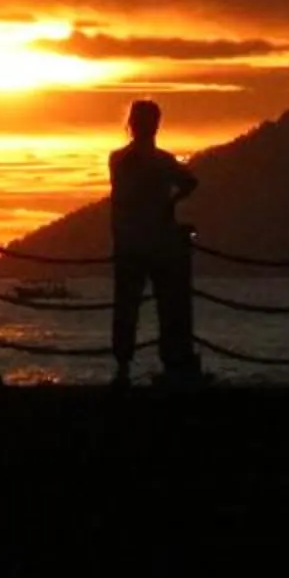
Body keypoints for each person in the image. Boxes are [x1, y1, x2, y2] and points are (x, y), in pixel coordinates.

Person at [108, 99, 198, 385]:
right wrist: (170, 202)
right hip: (159, 240)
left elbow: (120, 200)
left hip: (129, 242)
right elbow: (190, 181)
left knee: (127, 306)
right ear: (155, 125)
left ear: (132, 125)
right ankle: (171, 363)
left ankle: (123, 367)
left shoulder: (118, 159)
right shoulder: (162, 161)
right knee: (166, 305)